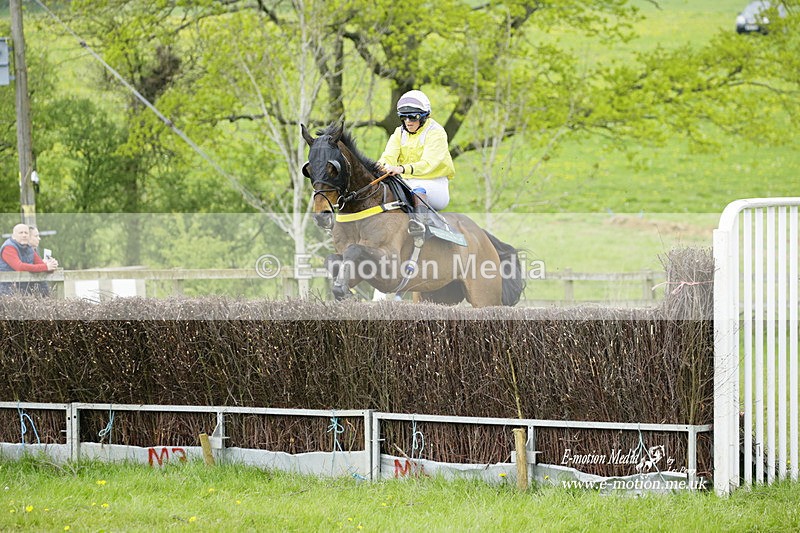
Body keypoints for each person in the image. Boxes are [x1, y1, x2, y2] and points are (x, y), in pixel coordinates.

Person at [378, 90, 455, 231]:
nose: (408, 122)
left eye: (413, 117)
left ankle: (420, 226)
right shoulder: (399, 132)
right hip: (406, 182)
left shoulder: (436, 132)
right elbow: (387, 157)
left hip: (434, 184)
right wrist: (380, 167)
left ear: (424, 117)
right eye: (404, 117)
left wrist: (401, 169)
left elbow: (428, 164)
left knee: (416, 187)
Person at [0, 223, 58, 296]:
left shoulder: (29, 248)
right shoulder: (8, 248)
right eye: (21, 233)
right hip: (8, 292)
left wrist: (52, 265)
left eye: (26, 233)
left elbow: (41, 265)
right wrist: (46, 267)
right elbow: (19, 267)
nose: (24, 235)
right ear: (13, 236)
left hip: (25, 291)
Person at [27, 225, 56, 296]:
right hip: (33, 293)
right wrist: (45, 266)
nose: (39, 239)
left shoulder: (34, 251)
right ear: (28, 237)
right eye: (36, 236)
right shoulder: (26, 252)